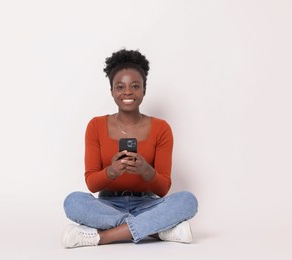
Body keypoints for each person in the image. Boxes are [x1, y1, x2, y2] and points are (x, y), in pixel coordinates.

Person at [61, 49, 198, 248]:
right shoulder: (96, 126)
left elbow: (163, 189)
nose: (127, 92)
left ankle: (102, 237)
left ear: (144, 90)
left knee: (188, 200)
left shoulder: (161, 128)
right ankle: (158, 230)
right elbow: (91, 184)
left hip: (147, 204)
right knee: (73, 202)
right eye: (120, 86)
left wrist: (146, 171)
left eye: (135, 86)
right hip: (108, 205)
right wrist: (112, 171)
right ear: (112, 91)